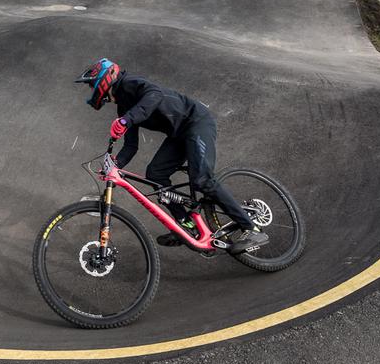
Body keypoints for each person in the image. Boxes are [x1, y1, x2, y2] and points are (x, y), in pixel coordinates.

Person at [75, 59, 269, 252]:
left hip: (196, 123)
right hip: (178, 135)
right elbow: (131, 146)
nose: (91, 89)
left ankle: (251, 229)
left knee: (201, 180)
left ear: (103, 80)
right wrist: (115, 164)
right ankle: (186, 225)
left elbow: (154, 94)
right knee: (155, 175)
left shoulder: (129, 83)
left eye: (92, 85)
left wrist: (127, 119)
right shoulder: (123, 107)